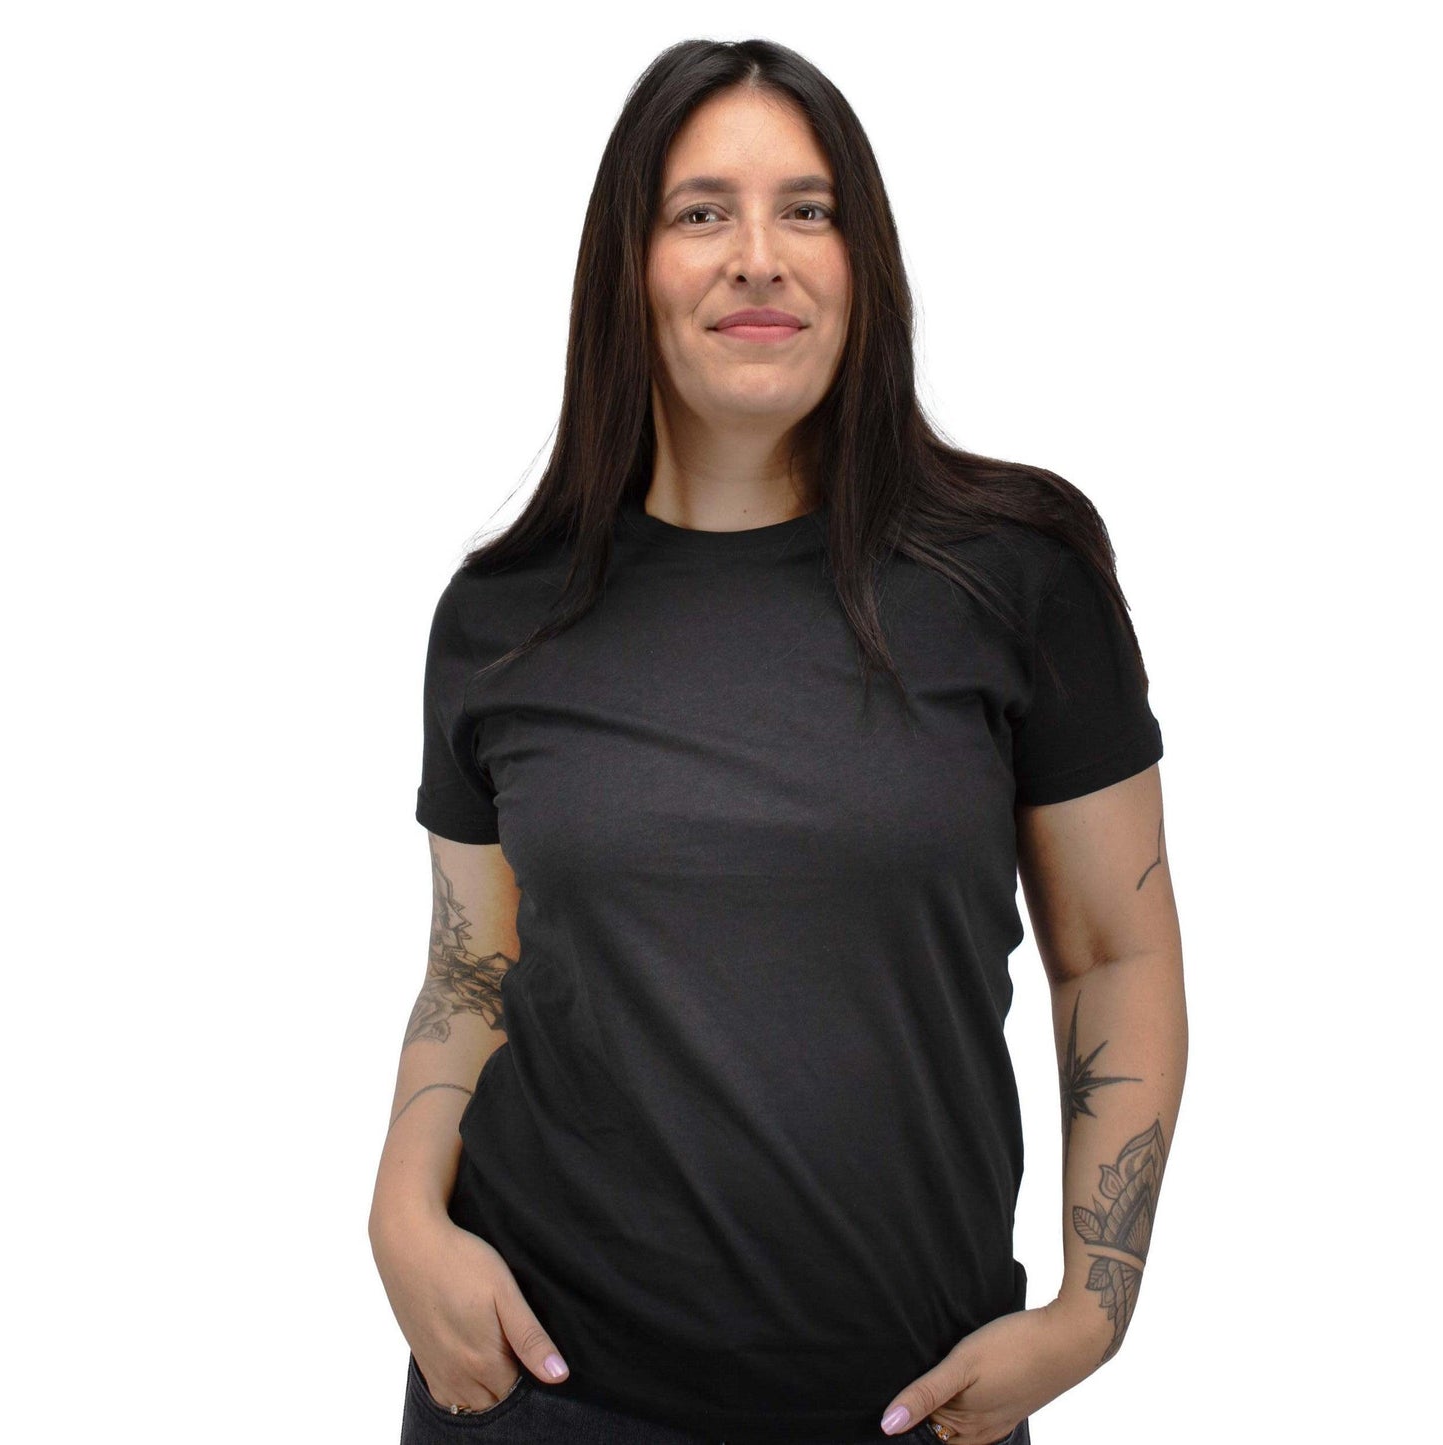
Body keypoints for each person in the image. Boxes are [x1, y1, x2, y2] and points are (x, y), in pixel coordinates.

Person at [368, 36, 1187, 1445]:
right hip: (541, 1393)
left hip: (912, 1405)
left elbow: (1114, 954)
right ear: (627, 269)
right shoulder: (501, 616)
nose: (759, 257)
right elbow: (471, 965)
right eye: (702, 212)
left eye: (808, 210)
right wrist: (400, 1210)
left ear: (863, 265)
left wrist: (1091, 1307)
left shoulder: (1016, 577)